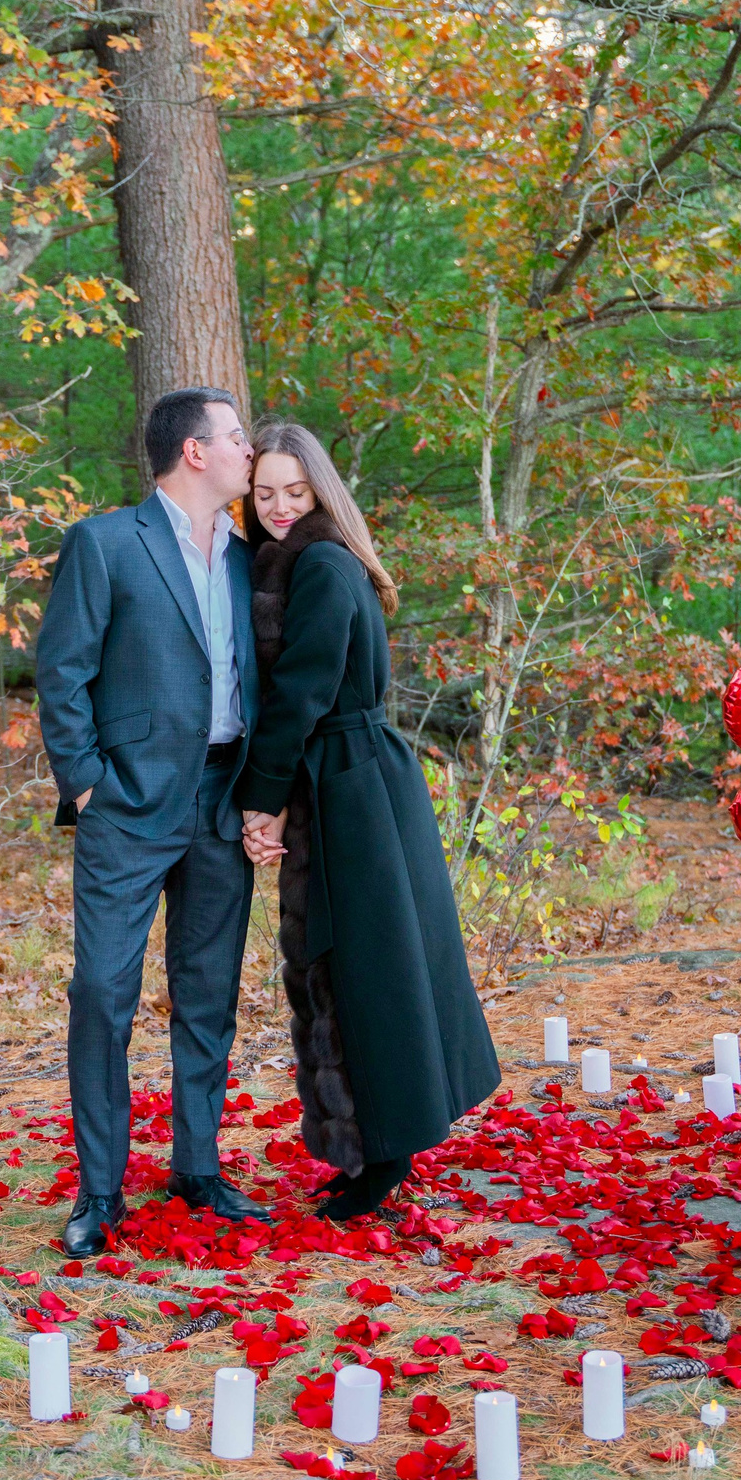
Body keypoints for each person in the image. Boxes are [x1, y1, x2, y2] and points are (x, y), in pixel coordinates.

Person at [237, 422, 501, 1221]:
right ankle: (381, 1143)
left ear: (321, 491)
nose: (280, 507)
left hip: (349, 783)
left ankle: (384, 1152)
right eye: (265, 493)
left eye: (295, 491)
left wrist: (261, 798)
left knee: (363, 969)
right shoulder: (311, 559)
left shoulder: (318, 564)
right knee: (375, 964)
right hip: (355, 776)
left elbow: (302, 692)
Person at [34, 387, 269, 1258]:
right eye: (237, 437)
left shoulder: (251, 557)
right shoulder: (105, 543)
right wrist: (87, 785)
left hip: (221, 798)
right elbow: (61, 671)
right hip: (126, 806)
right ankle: (100, 1190)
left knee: (208, 994)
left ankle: (197, 1170)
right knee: (102, 991)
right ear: (195, 452)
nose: (250, 450)